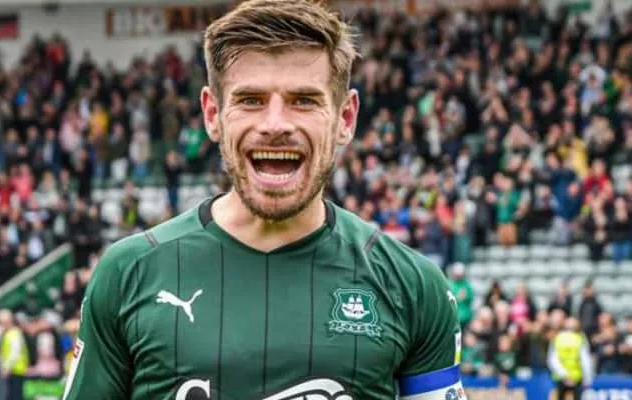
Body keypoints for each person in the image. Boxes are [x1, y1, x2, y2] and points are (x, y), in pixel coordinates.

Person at [62, 0, 465, 398]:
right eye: (250, 100)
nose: (275, 124)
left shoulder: (413, 287)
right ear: (212, 114)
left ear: (345, 118)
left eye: (303, 100)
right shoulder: (128, 274)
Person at [547, 317, 594, 400]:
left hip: (560, 378)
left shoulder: (557, 338)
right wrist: (588, 379)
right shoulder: (580, 338)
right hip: (577, 377)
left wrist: (564, 375)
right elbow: (585, 360)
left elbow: (552, 360)